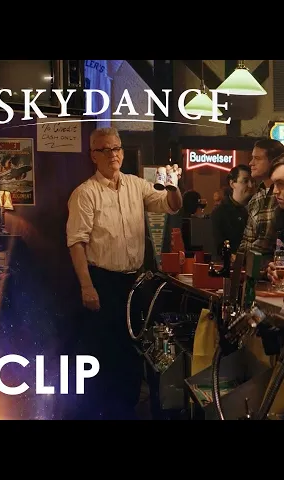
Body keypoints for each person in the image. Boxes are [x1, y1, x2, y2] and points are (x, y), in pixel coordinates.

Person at [66, 127, 182, 419]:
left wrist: (173, 185)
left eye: (116, 148)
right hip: (103, 281)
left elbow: (170, 205)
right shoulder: (85, 193)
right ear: (93, 156)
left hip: (134, 281)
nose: (113, 155)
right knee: (105, 349)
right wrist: (86, 286)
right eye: (104, 150)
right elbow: (76, 243)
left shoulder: (136, 185)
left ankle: (127, 409)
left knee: (132, 348)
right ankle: (101, 410)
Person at [237, 139, 284, 261]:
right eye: (252, 158)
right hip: (253, 266)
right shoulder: (256, 197)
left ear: (274, 161)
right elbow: (247, 240)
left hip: (277, 266)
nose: (251, 163)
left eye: (257, 158)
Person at [211, 164, 254, 254]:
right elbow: (219, 247)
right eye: (245, 181)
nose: (250, 185)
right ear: (232, 183)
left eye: (252, 181)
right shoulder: (220, 212)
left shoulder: (255, 207)